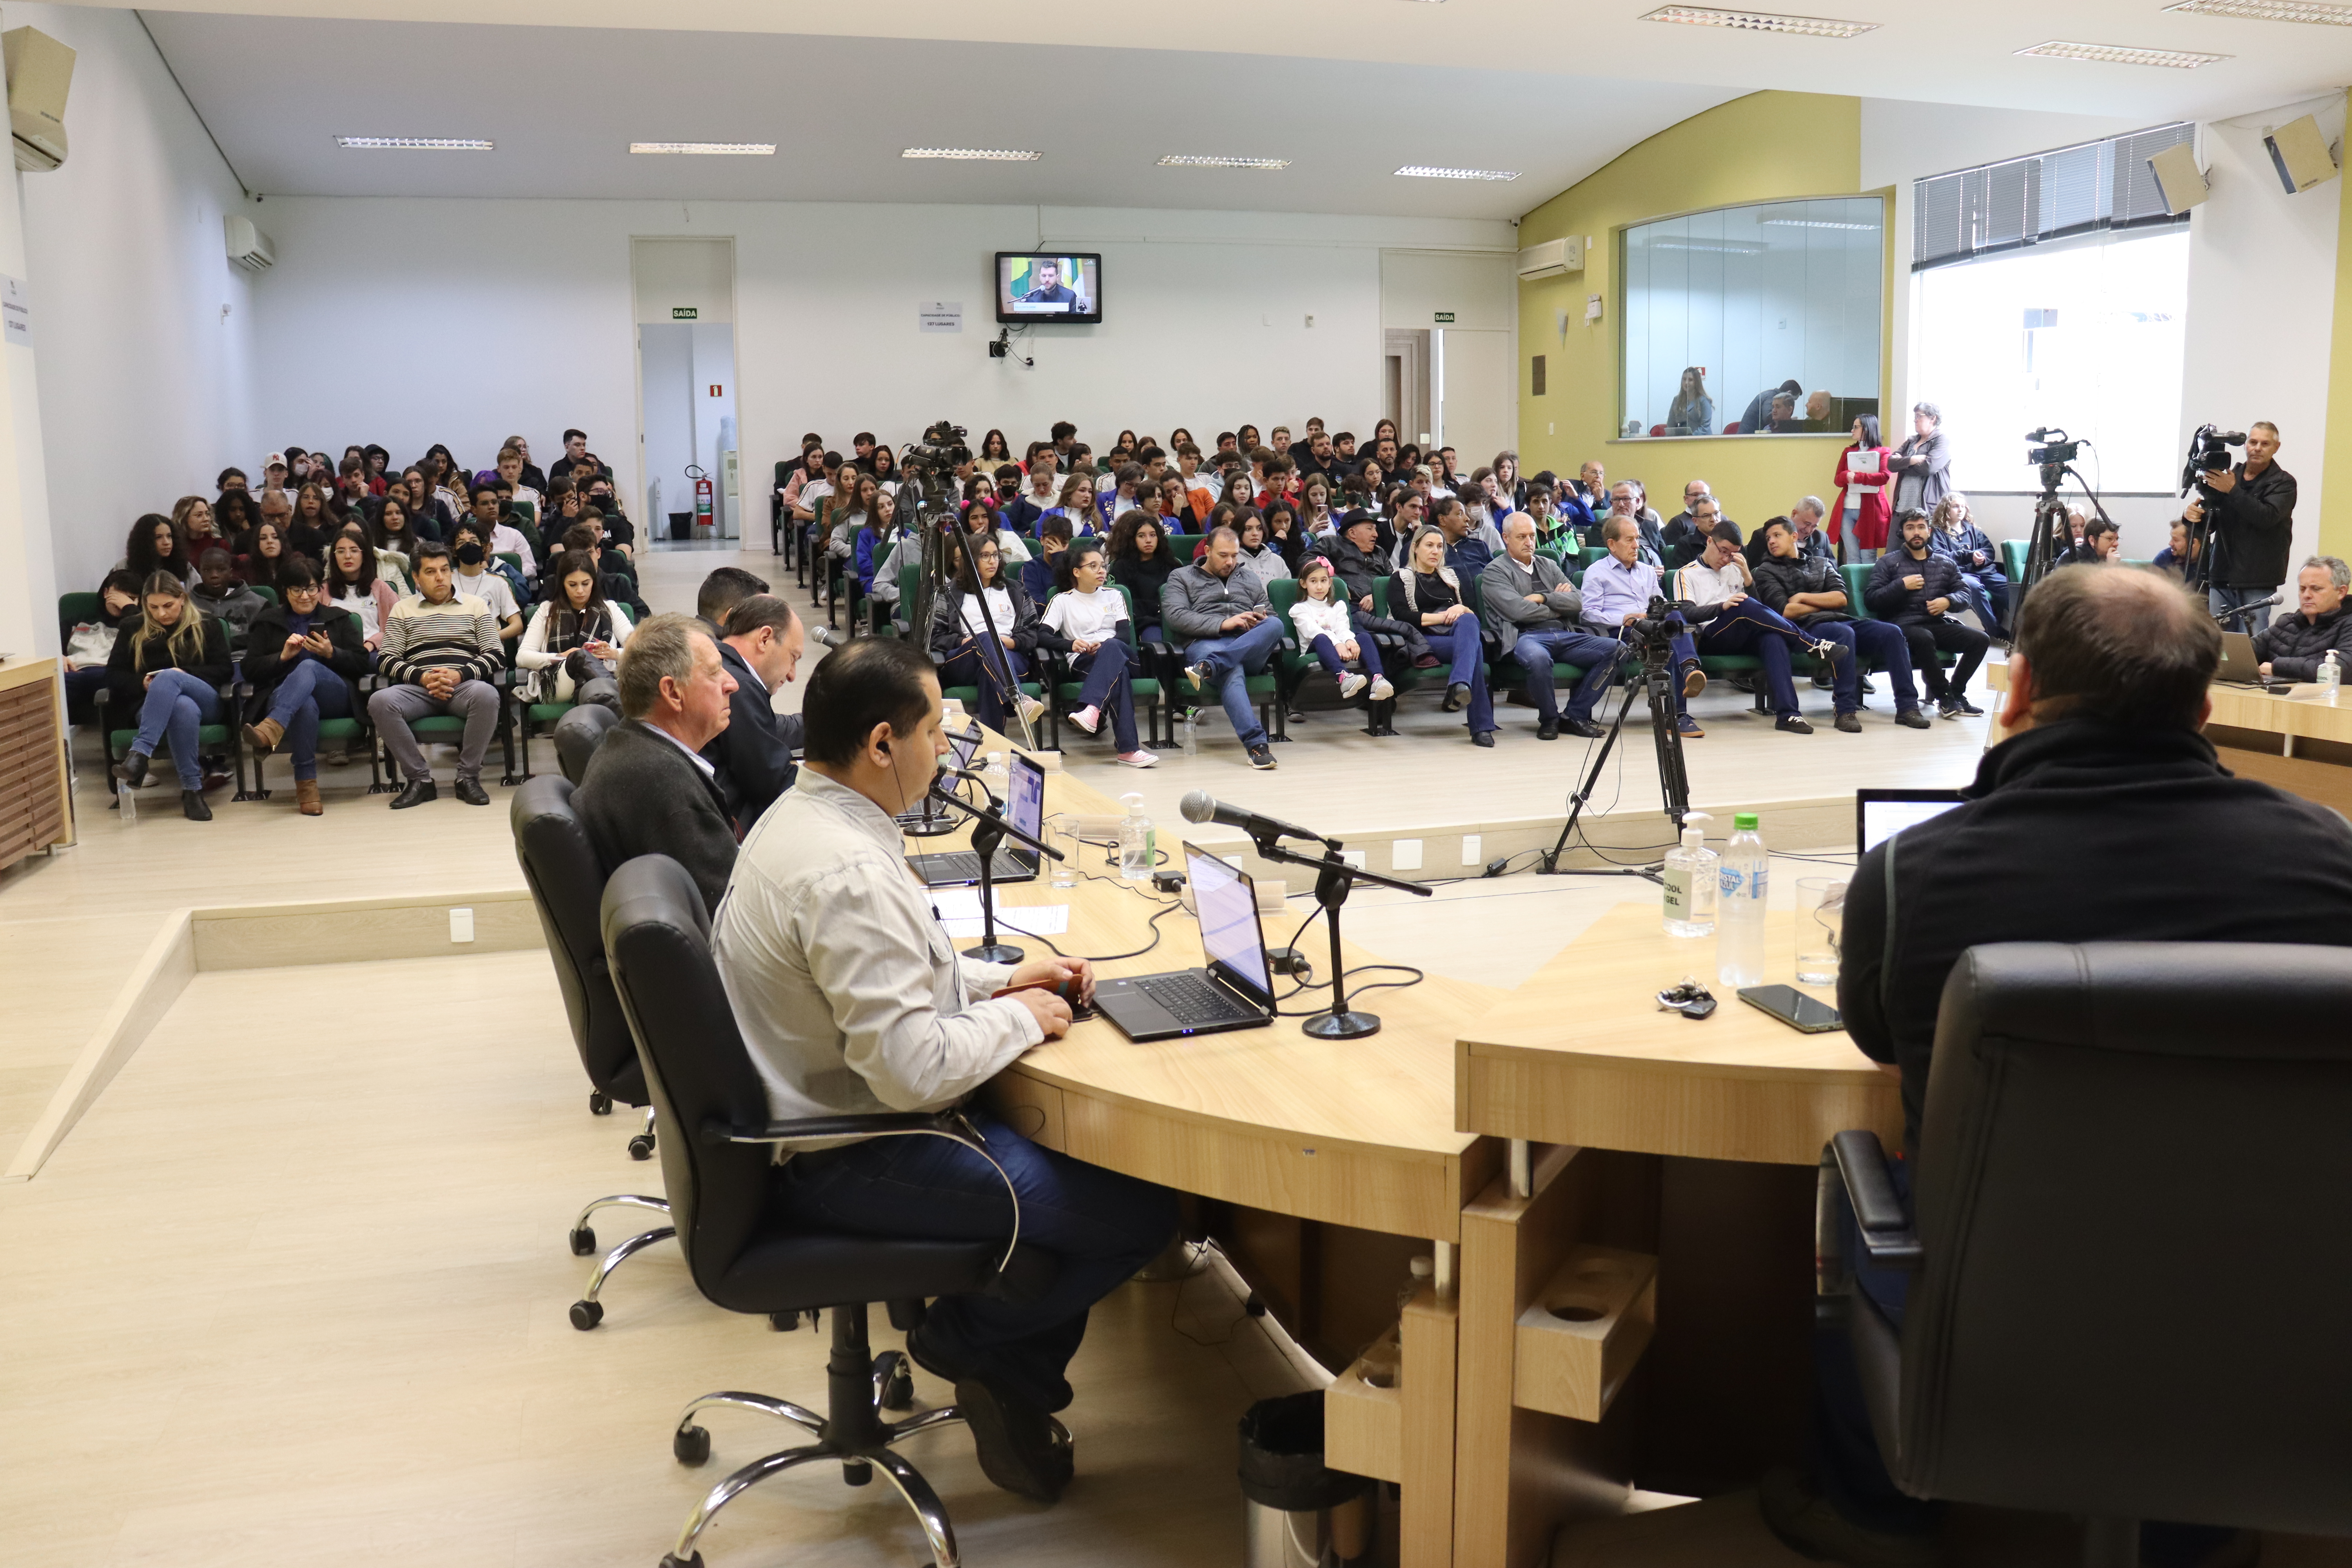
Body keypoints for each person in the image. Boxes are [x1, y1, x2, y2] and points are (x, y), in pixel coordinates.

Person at [1777, 565, 2352, 1568]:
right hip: (2279, 1297)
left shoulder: (1913, 872)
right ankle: (2194, 1531)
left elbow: (1876, 1036)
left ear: (2018, 689)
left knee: (1853, 1185)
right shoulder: (2330, 855)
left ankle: (1878, 1513)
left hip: (1992, 1306)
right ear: (2207, 708)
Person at [710, 637, 1177, 1503]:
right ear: (882, 742)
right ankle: (968, 1342)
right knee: (1141, 1207)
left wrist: (1006, 977)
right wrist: (1018, 1016)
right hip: (856, 1146)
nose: (947, 751)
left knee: (1089, 1180)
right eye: (936, 732)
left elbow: (883, 983)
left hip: (825, 1110)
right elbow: (909, 1070)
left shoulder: (807, 814)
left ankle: (1011, 1369)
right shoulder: (846, 868)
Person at [573, 614, 740, 912]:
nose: (732, 684)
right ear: (673, 693)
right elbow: (731, 916)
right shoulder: (663, 785)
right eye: (715, 673)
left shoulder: (632, 748)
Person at [1750, 517, 1929, 733]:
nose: (1771, 541)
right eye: (1769, 538)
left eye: (1777, 535)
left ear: (1794, 537)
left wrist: (1801, 597)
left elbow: (1841, 599)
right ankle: (1845, 710)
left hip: (1842, 620)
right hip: (1805, 631)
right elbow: (1786, 611)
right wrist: (1820, 605)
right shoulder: (1765, 571)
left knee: (1892, 632)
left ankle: (1908, 707)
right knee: (1843, 634)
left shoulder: (1822, 563)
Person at [367, 541, 505, 809]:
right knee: (380, 701)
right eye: (430, 572)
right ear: (416, 579)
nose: (440, 577)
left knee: (488, 694)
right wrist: (423, 678)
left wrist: (459, 674)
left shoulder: (476, 606)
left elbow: (496, 654)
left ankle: (467, 778)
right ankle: (420, 780)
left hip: (464, 686)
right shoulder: (403, 609)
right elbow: (386, 659)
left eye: (445, 570)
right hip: (419, 689)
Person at [239, 557, 370, 816]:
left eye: (311, 589)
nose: (305, 596)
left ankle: (272, 728)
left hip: (335, 695)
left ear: (320, 589)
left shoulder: (340, 619)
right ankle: (307, 787)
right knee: (304, 704)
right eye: (296, 590)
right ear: (286, 592)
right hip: (284, 695)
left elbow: (362, 664)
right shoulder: (267, 621)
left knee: (309, 667)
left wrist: (332, 653)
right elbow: (249, 669)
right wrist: (282, 657)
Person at [1478, 514, 1622, 740]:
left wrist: (1543, 598)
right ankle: (1549, 719)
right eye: (1522, 537)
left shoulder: (1549, 565)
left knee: (1618, 649)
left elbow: (1578, 602)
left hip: (1564, 634)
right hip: (1525, 637)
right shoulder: (1495, 571)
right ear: (1506, 538)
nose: (1529, 542)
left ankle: (1575, 715)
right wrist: (1557, 602)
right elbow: (1518, 612)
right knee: (1537, 658)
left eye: (1532, 536)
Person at [1674, 521, 1824, 735]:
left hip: (1743, 633)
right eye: (1723, 551)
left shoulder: (1735, 569)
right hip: (1712, 637)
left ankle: (1789, 715)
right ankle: (1808, 642)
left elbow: (1760, 610)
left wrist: (1748, 579)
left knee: (1773, 639)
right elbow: (1687, 613)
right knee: (1741, 605)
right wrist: (1722, 607)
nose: (1726, 559)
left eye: (1733, 554)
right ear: (1709, 541)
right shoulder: (1686, 573)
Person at [106, 570, 233, 820]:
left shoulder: (207, 624)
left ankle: (140, 755)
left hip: (205, 700)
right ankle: (192, 791)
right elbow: (112, 674)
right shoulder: (132, 627)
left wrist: (183, 674)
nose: (161, 614)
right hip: (151, 706)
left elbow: (225, 670)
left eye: (168, 606)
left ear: (183, 598)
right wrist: (140, 683)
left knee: (169, 677)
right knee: (181, 708)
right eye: (153, 607)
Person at [1162, 525, 1283, 769]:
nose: (1230, 562)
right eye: (1223, 555)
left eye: (1235, 555)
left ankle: (1210, 667)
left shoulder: (1248, 578)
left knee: (1276, 625)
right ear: (1207, 551)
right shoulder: (1182, 576)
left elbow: (1269, 612)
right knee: (1232, 670)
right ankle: (1257, 746)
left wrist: (1256, 620)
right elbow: (1176, 616)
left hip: (1245, 645)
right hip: (1204, 643)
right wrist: (1224, 624)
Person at [1582, 515, 1706, 739]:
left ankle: (1687, 676)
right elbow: (1588, 614)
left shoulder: (1647, 571)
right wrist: (1625, 618)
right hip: (1624, 632)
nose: (1636, 545)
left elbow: (1659, 604)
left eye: (1637, 539)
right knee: (1669, 636)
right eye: (1629, 540)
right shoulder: (1597, 572)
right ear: (1612, 544)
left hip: (1652, 626)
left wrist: (1659, 612)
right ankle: (1677, 714)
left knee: (1674, 616)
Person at [1036, 539, 1156, 766]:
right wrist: (1070, 644)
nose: (1101, 570)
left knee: (1112, 647)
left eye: (1103, 565)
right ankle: (1128, 751)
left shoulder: (1114, 595)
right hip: (1085, 660)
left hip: (1123, 655)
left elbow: (1124, 636)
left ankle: (1091, 708)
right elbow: (1042, 635)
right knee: (1117, 677)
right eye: (1093, 566)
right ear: (1077, 572)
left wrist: (1104, 644)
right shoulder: (1062, 601)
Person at [1865, 510, 1990, 719]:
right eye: (1910, 528)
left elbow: (1964, 593)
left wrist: (1948, 601)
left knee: (1980, 639)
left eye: (1921, 527)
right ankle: (1944, 697)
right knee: (1923, 637)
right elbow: (1871, 599)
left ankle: (1956, 693)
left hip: (1936, 622)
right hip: (1901, 625)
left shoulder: (1945, 563)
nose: (1917, 533)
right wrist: (1901, 585)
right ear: (1902, 533)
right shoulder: (1888, 562)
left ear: (1929, 531)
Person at [930, 534, 1050, 737]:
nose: (992, 561)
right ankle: (1018, 700)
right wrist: (963, 641)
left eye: (995, 555)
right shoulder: (949, 592)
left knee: (989, 671)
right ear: (971, 559)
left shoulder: (1016, 590)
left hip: (1011, 657)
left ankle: (994, 743)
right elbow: (936, 637)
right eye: (985, 556)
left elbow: (1031, 633)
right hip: (963, 659)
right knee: (986, 638)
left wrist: (1011, 642)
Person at [706, 593, 808, 826]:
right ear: (764, 639)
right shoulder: (738, 684)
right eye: (793, 658)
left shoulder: (725, 666)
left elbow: (768, 731)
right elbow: (774, 786)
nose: (792, 675)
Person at [1395, 523, 1498, 747]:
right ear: (1415, 548)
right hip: (1421, 640)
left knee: (1470, 622)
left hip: (1455, 637)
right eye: (1429, 545)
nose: (1436, 551)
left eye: (1440, 546)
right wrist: (1444, 617)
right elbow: (1403, 618)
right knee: (1475, 651)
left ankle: (1460, 684)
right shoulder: (1402, 577)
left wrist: (1461, 610)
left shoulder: (1450, 577)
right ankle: (1480, 727)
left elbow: (1469, 613)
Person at [2197, 420, 2295, 633]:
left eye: (2265, 444)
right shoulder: (2229, 478)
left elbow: (2267, 517)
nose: (2257, 448)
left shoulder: (2283, 483)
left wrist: (2233, 491)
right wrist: (2194, 516)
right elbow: (2213, 523)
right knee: (2218, 644)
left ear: (2276, 448)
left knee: (2251, 646)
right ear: (2245, 445)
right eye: (2253, 442)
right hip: (2222, 574)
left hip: (2257, 579)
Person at [517, 549, 632, 710]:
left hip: (602, 676)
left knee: (587, 673)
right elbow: (522, 657)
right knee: (580, 657)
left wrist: (613, 653)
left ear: (594, 581)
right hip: (557, 682)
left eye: (586, 584)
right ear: (563, 584)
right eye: (573, 585)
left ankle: (602, 701)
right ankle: (615, 702)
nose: (580, 591)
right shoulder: (546, 610)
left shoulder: (610, 609)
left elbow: (638, 651)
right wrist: (559, 657)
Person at [1290, 554, 1396, 709]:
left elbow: (1342, 628)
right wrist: (1338, 644)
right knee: (1321, 637)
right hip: (1317, 647)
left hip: (1340, 645)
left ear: (1330, 582)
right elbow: (1312, 632)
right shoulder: (1299, 610)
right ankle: (1343, 677)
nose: (1319, 587)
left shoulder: (1338, 606)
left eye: (1323, 581)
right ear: (1304, 584)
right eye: (1314, 581)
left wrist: (1349, 641)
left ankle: (1378, 679)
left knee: (1365, 637)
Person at [2252, 556, 2352, 682]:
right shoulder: (2287, 622)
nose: (2307, 595)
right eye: (2302, 589)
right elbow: (2246, 652)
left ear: (2341, 592)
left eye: (2316, 589)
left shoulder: (2348, 624)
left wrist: (2277, 667)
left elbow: (2343, 669)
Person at [1927, 492, 2009, 637]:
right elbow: (1940, 555)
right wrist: (1968, 555)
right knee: (1973, 587)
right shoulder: (1938, 533)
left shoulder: (1972, 530)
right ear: (1946, 510)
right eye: (1955, 507)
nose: (1960, 510)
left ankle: (2025, 630)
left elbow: (1989, 549)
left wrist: (1982, 557)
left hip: (1985, 572)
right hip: (1962, 574)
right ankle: (1995, 631)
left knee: (2012, 589)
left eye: (1963, 507)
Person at [65, 570, 140, 722]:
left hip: (108, 673)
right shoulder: (77, 621)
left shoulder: (135, 625)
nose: (121, 603)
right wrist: (57, 656)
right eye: (118, 596)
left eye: (130, 599)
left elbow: (145, 644)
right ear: (106, 593)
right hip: (74, 671)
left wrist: (129, 609)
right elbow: (48, 644)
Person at [447, 517, 526, 646]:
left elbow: (517, 625)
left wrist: (492, 637)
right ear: (454, 551)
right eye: (461, 543)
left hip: (489, 647)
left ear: (483, 547)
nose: (468, 546)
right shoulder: (446, 581)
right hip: (454, 646)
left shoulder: (498, 583)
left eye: (473, 541)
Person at [1108, 511, 1180, 652]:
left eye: (1153, 535)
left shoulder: (1173, 565)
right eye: (1142, 536)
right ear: (1132, 539)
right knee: (1158, 645)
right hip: (1143, 623)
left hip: (1175, 621)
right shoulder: (1121, 566)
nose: (1148, 540)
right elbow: (1124, 604)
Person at [323, 528, 399, 652]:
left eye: (354, 551)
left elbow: (398, 628)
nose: (348, 556)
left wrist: (373, 643)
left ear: (364, 555)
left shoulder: (381, 588)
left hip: (371, 651)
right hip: (334, 653)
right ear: (334, 557)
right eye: (341, 551)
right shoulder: (323, 590)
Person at [1833, 414, 1892, 561]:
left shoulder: (1883, 452)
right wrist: (1847, 475)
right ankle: (1855, 586)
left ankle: (1870, 586)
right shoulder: (1848, 451)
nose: (1852, 430)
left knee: (1868, 556)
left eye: (1856, 427)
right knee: (1852, 556)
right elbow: (1838, 480)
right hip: (1847, 508)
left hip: (1870, 510)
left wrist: (1858, 477)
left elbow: (1884, 477)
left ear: (1867, 429)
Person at [189, 548, 266, 653]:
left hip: (243, 661)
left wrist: (229, 644)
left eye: (221, 570)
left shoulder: (257, 603)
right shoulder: (188, 604)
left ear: (230, 572)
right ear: (200, 573)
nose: (214, 575)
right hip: (204, 663)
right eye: (207, 570)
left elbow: (264, 638)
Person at [1884, 403, 1951, 521]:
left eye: (1919, 416)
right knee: (1894, 541)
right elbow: (1891, 464)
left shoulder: (1942, 440)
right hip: (1901, 508)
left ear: (1933, 419)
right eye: (1915, 416)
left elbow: (1928, 468)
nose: (1915, 420)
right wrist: (1912, 460)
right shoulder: (1911, 441)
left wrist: (1902, 463)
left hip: (1927, 509)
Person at [1660, 480, 1715, 568]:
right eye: (1695, 495)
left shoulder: (1721, 521)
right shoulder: (1677, 523)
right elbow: (1674, 560)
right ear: (1686, 499)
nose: (1700, 498)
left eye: (1705, 495)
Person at [1739, 378, 1804, 435]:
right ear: (1789, 394)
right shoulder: (1771, 397)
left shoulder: (1769, 395)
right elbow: (1768, 417)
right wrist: (1787, 422)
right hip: (1748, 439)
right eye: (1792, 400)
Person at [2153, 517, 2203, 584]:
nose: (2170, 543)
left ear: (2193, 543)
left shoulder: (2215, 561)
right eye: (2172, 538)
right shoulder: (2164, 559)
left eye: (2176, 540)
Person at [2056, 515, 2121, 567]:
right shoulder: (2073, 557)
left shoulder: (2108, 557)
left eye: (2117, 539)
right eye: (2109, 539)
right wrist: (2110, 566)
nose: (2116, 544)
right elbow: (2090, 583)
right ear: (2092, 540)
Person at [1666, 367, 1713, 436]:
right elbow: (1671, 425)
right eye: (1684, 379)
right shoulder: (1677, 400)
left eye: (1690, 380)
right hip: (1682, 440)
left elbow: (1705, 427)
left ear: (1696, 382)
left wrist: (1690, 438)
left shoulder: (1704, 401)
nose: (1686, 383)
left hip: (1701, 440)